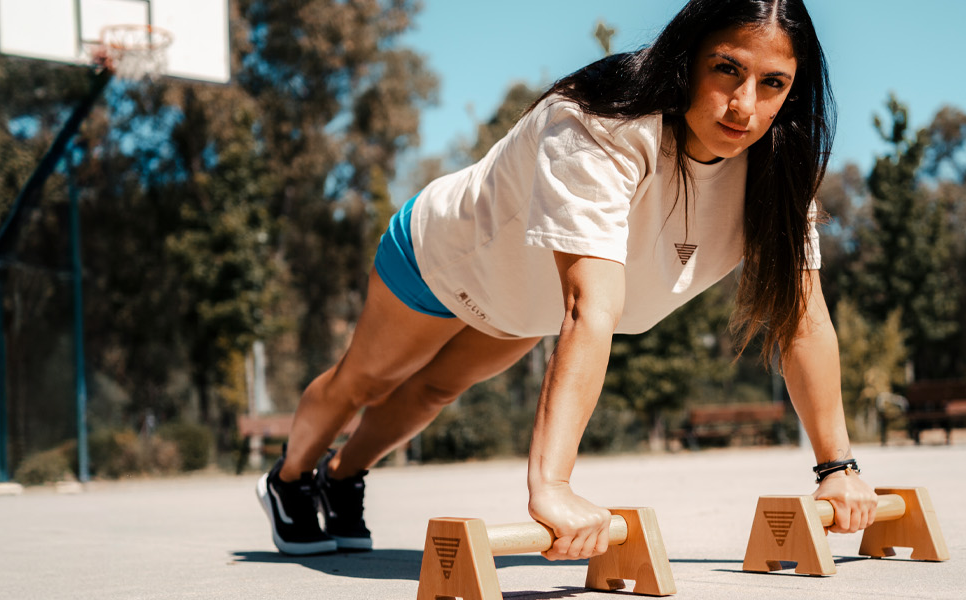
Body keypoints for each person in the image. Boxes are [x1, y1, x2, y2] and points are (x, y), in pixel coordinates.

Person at [256, 0, 879, 558]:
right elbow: (589, 308)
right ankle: (288, 481)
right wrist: (551, 486)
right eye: (726, 69)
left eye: (773, 83)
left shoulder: (780, 173)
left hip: (525, 301)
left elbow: (803, 317)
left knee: (432, 392)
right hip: (446, 258)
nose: (745, 105)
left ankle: (340, 478)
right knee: (366, 378)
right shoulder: (600, 122)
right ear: (687, 60)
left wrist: (837, 466)